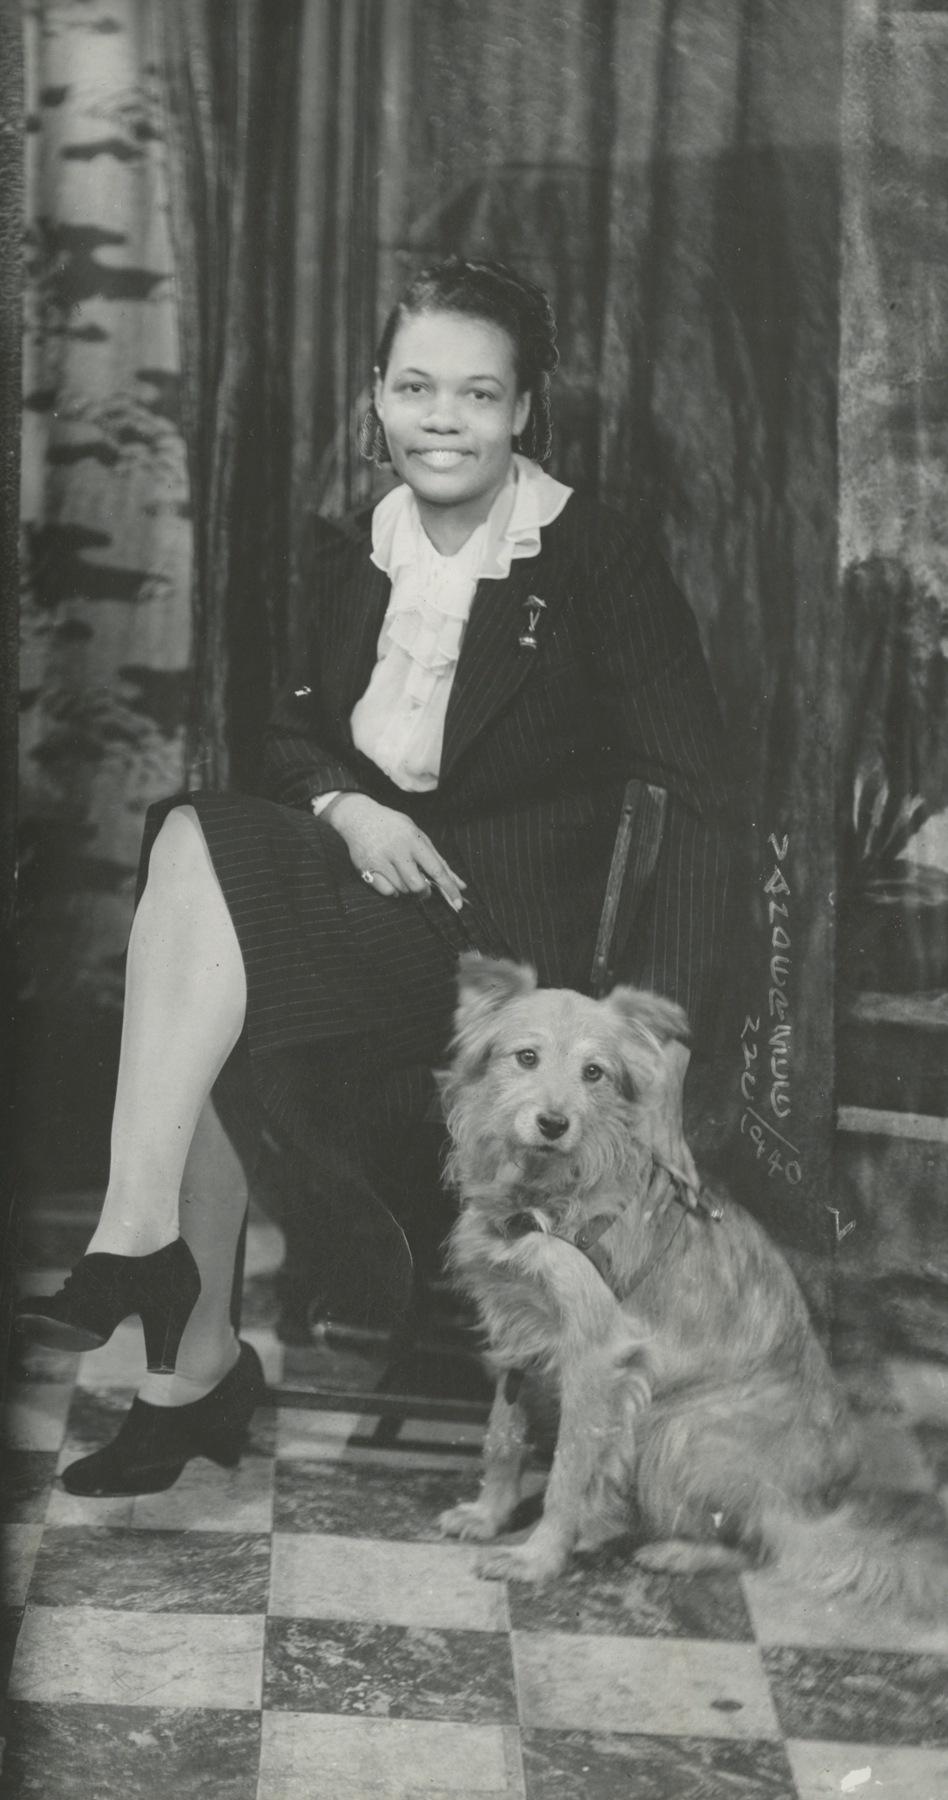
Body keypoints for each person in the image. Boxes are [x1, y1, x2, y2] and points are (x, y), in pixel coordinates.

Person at [16, 257, 735, 1496]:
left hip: (493, 942)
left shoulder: (593, 557)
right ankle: (156, 1287)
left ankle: (178, 1340)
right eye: (415, 389)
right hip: (369, 889)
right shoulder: (365, 544)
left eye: (475, 395)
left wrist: (654, 1025)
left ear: (523, 412)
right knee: (193, 846)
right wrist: (347, 809)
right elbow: (293, 731)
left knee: (207, 951)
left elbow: (710, 794)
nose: (441, 420)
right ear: (376, 399)